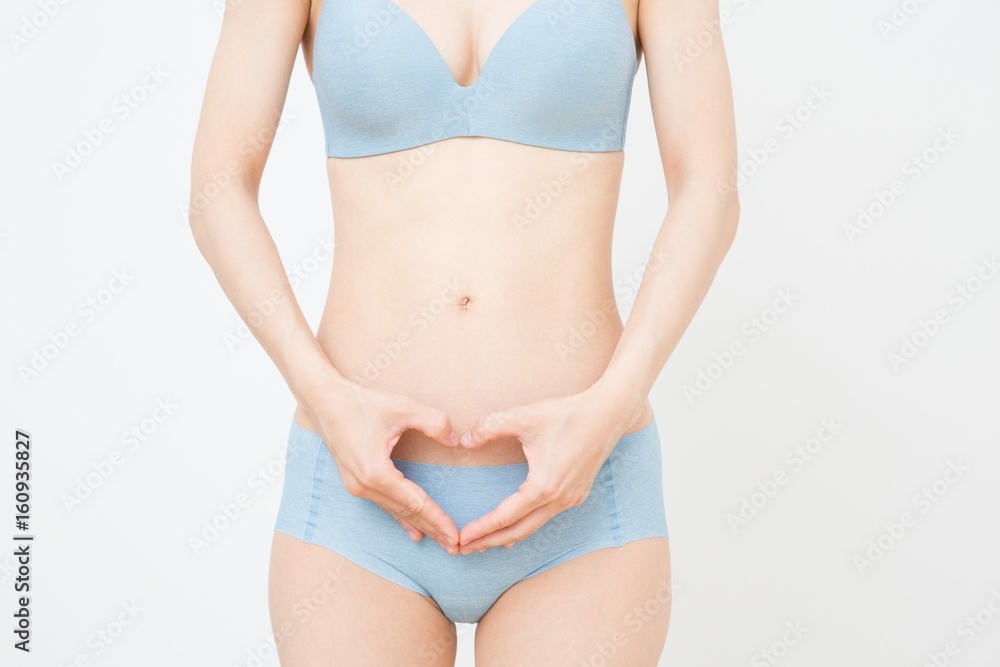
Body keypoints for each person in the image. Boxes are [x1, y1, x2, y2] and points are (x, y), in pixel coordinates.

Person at [188, 0, 739, 663]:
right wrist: (324, 398)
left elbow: (709, 189)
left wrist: (612, 407)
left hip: (586, 492)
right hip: (355, 494)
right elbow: (218, 191)